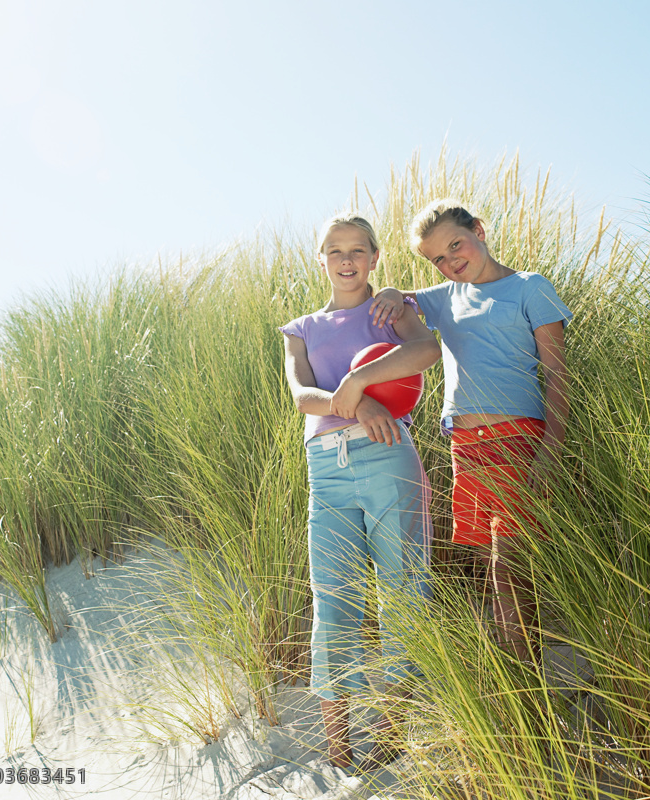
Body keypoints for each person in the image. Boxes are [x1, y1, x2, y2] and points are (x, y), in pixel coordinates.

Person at [371, 198, 572, 660]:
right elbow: (401, 301)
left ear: (479, 229)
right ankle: (513, 684)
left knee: (508, 566)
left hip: (519, 440)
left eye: (455, 245)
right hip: (466, 449)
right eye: (437, 259)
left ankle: (525, 688)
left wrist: (551, 453)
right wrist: (390, 291)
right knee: (490, 566)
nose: (450, 261)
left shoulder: (529, 288)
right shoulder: (444, 297)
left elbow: (560, 377)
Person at [280, 213, 440, 769]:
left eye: (357, 250)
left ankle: (390, 732)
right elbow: (302, 396)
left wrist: (357, 382)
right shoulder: (301, 329)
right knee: (334, 598)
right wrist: (356, 402)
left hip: (387, 457)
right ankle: (339, 744)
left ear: (374, 258)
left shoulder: (392, 310)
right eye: (334, 250)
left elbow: (426, 352)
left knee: (402, 589)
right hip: (325, 468)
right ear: (320, 259)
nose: (346, 259)